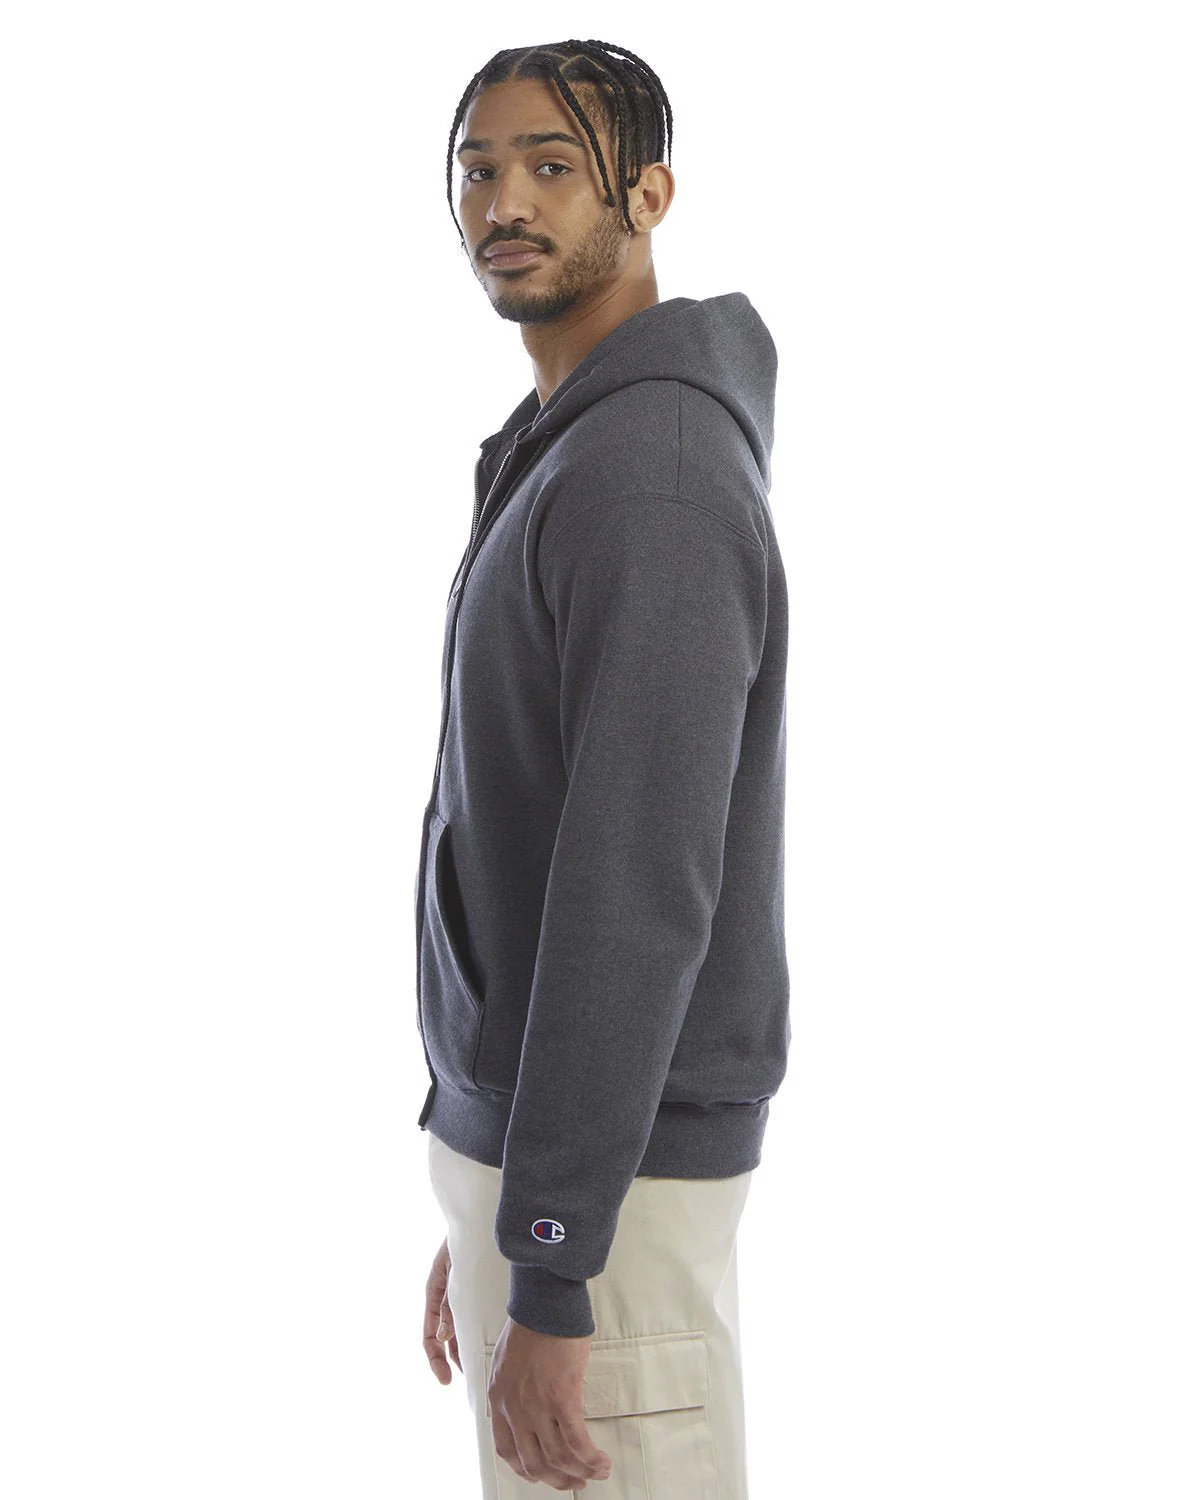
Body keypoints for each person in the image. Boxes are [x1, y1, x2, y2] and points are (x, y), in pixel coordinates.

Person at [415, 39, 791, 1497]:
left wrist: (556, 1251)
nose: (505, 200)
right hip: (563, 1179)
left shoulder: (652, 477)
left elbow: (637, 886)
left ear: (648, 194)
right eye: (479, 168)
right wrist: (498, 1209)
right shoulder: (570, 452)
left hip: (612, 1194)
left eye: (554, 165)